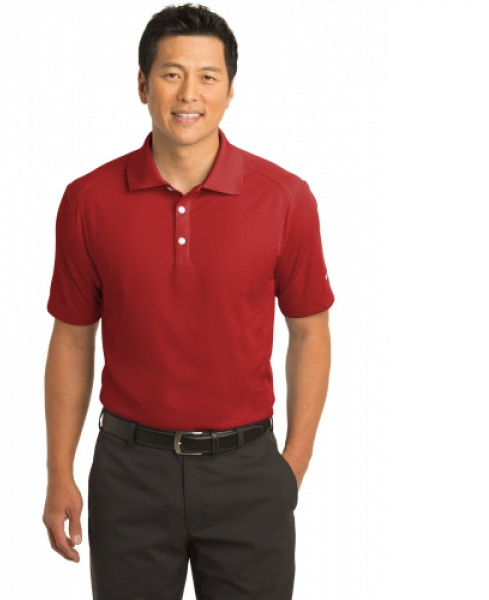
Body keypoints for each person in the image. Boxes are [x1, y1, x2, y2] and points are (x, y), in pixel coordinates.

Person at [42, 4, 334, 598]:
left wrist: (293, 465)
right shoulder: (88, 201)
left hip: (248, 471)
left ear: (230, 89)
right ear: (142, 84)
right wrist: (58, 472)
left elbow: (309, 331)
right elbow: (72, 338)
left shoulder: (286, 199)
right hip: (129, 472)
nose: (189, 94)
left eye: (208, 76)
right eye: (171, 74)